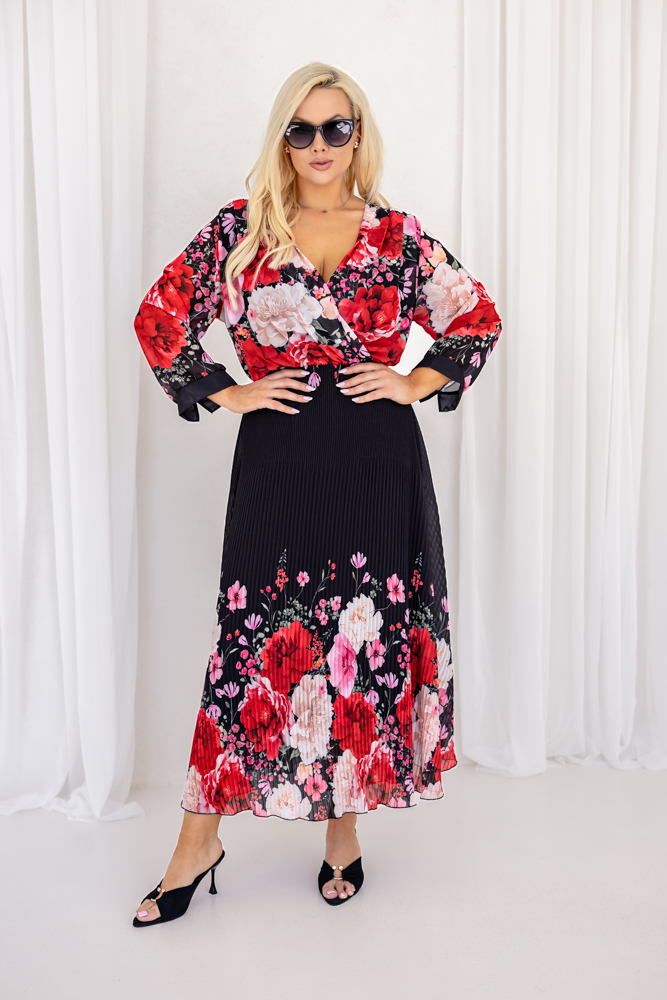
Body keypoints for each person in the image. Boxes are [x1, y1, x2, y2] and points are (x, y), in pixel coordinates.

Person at [132, 62, 501, 925]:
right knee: (248, 649)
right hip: (280, 462)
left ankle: (343, 833)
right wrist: (227, 390)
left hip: (376, 464)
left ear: (358, 135)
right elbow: (159, 317)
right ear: (282, 139)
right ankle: (196, 842)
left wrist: (414, 380)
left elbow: (475, 316)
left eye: (336, 127)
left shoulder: (398, 236)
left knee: (357, 649)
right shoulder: (242, 230)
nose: (320, 145)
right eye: (300, 130)